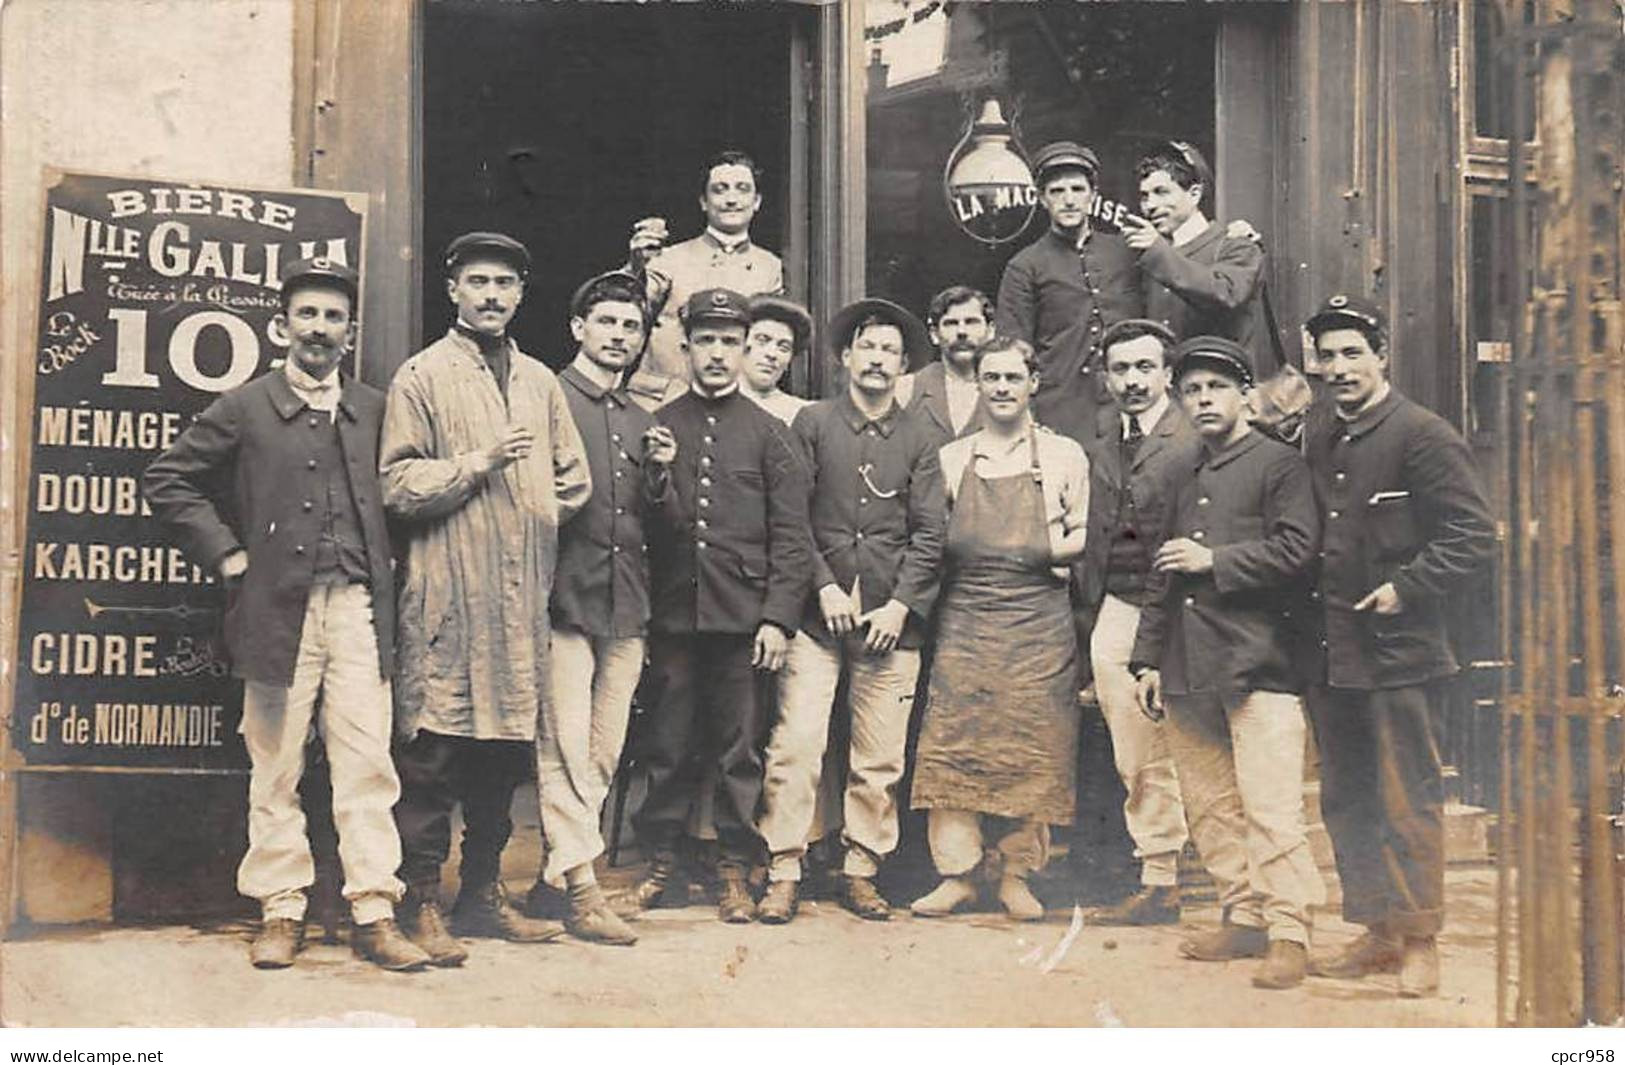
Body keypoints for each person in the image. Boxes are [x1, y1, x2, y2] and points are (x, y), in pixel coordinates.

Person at [143, 257, 428, 972]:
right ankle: (281, 907)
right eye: (307, 314)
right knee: (275, 765)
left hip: (359, 611)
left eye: (333, 317)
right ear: (281, 325)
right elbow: (168, 477)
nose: (320, 329)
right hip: (277, 615)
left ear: (349, 331)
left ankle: (373, 909)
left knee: (368, 762)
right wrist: (230, 556)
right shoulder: (246, 405)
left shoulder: (375, 406)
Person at [380, 231, 592, 965]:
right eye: (478, 281)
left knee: (502, 756)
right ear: (452, 288)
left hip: (516, 599)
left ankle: (481, 896)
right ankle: (423, 904)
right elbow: (397, 484)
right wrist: (478, 466)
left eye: (505, 282)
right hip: (446, 594)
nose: (492, 295)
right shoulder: (421, 375)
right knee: (435, 755)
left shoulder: (539, 380)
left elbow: (574, 479)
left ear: (520, 294)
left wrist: (525, 514)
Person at [1300, 294, 1496, 998]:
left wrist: (1405, 588)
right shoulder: (1318, 433)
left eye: (1352, 351)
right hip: (1331, 650)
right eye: (1327, 355)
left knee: (1405, 794)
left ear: (1380, 354)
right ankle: (1376, 930)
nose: (1338, 367)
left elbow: (1472, 536)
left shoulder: (1422, 433)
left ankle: (1420, 938)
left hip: (1400, 650)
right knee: (1347, 796)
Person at [1129, 336, 1325, 990]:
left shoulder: (1278, 464)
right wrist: (1146, 658)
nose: (1203, 398)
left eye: (1216, 386)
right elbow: (1160, 570)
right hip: (1186, 663)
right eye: (1191, 389)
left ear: (1245, 393)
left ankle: (1289, 927)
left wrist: (1215, 560)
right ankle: (1241, 912)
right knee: (1209, 803)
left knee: (1270, 803)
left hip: (1259, 659)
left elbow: (1298, 550)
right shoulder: (1177, 471)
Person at [624, 288, 813, 923]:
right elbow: (649, 531)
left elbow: (792, 537)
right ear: (686, 347)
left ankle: (736, 867)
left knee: (739, 751)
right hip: (675, 616)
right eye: (706, 340)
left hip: (743, 621)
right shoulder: (661, 425)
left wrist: (778, 619)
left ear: (747, 348)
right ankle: (663, 862)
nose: (718, 353)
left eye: (731, 341)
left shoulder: (770, 434)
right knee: (668, 745)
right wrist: (657, 477)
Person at [756, 298, 945, 923]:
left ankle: (861, 866)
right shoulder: (811, 423)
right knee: (797, 744)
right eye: (868, 347)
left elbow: (930, 535)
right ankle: (784, 866)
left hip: (892, 623)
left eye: (891, 350)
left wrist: (900, 606)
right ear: (844, 357)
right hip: (818, 619)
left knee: (879, 755)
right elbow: (790, 518)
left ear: (904, 365)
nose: (878, 360)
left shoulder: (921, 437)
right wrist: (823, 588)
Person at [910, 336, 1089, 921]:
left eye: (1015, 377)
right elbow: (933, 538)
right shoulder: (953, 458)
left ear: (1034, 382)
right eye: (993, 378)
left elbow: (1088, 534)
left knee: (1032, 743)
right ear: (980, 385)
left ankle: (1017, 874)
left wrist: (1038, 548)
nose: (1004, 388)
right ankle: (958, 874)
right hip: (967, 615)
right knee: (956, 741)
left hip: (1039, 618)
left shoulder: (1065, 456)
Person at [529, 270, 676, 946]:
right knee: (563, 745)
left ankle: (555, 876)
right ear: (577, 329)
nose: (619, 336)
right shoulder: (545, 397)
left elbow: (658, 524)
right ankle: (583, 888)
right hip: (563, 598)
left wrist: (658, 477)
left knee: (603, 749)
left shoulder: (644, 420)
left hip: (627, 603)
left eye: (631, 327)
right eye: (607, 323)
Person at [1074, 319, 1198, 927]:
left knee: (1190, 743)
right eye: (1121, 369)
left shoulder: (1190, 437)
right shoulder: (1105, 440)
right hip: (1117, 606)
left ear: (1168, 375)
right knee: (1135, 749)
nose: (1132, 381)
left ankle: (1213, 878)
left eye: (1145, 368)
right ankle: (1160, 876)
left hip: (1177, 610)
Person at [994, 141, 1142, 445]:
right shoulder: (1025, 266)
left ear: (1093, 195)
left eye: (1077, 189)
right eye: (1057, 191)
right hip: (1062, 409)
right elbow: (1014, 351)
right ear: (1042, 199)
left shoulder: (1125, 251)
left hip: (1131, 399)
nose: (1069, 200)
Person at [624, 150, 786, 409]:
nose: (731, 199)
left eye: (742, 189)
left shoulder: (770, 267)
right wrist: (635, 267)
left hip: (732, 406)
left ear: (756, 201)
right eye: (720, 190)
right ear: (703, 201)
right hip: (661, 403)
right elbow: (626, 308)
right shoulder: (669, 258)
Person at [1123, 142, 1273, 373]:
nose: (1150, 205)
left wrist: (1156, 250)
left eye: (1162, 192)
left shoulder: (1236, 245)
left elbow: (1225, 293)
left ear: (1194, 194)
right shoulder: (1154, 253)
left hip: (1220, 389)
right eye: (1144, 196)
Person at [895, 285, 993, 440]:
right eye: (951, 323)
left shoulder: (1006, 389)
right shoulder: (907, 389)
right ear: (934, 334)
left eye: (971, 322)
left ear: (990, 331)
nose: (962, 332)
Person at [740, 294, 814, 426]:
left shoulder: (805, 414)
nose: (772, 354)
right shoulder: (709, 406)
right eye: (762, 340)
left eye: (783, 347)